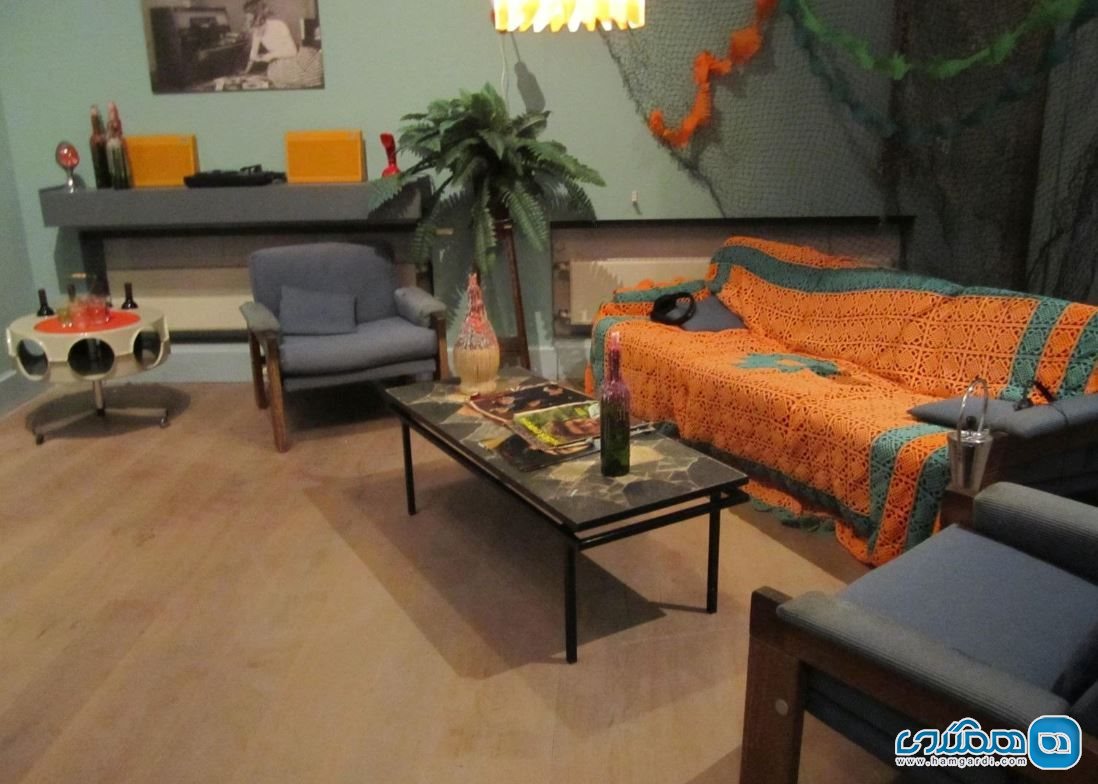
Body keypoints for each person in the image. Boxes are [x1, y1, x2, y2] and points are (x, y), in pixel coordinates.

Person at [243, 0, 297, 74]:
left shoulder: (279, 25)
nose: (256, 30)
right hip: (276, 65)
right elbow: (253, 55)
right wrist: (246, 72)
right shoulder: (257, 30)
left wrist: (269, 56)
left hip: (291, 61)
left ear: (260, 17)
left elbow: (293, 51)